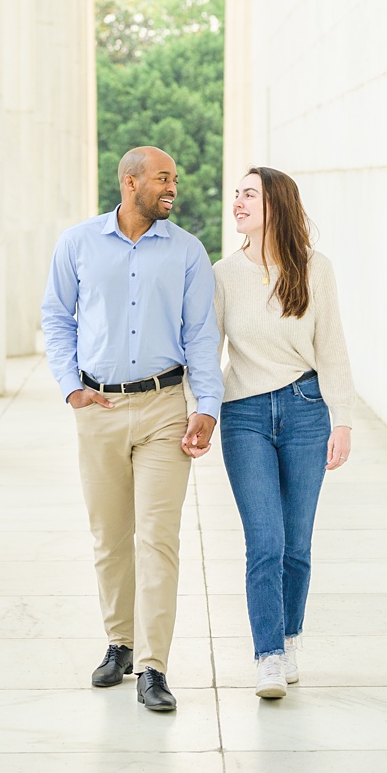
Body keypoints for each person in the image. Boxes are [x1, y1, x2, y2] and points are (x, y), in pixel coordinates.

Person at [41, 145, 223, 714]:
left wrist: (207, 405)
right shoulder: (76, 244)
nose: (173, 187)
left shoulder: (188, 252)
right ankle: (119, 643)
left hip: (165, 408)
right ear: (130, 182)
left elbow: (201, 333)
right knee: (110, 537)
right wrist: (71, 385)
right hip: (98, 409)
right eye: (163, 178)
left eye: (174, 178)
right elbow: (55, 315)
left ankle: (153, 665)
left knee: (158, 539)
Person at [216, 165, 356, 698]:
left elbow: (333, 348)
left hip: (305, 409)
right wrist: (198, 411)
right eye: (237, 195)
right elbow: (209, 354)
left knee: (297, 545)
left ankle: (290, 636)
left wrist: (341, 418)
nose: (239, 202)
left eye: (249, 194)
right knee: (265, 542)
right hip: (245, 414)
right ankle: (268, 655)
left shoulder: (315, 269)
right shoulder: (223, 274)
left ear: (276, 203)